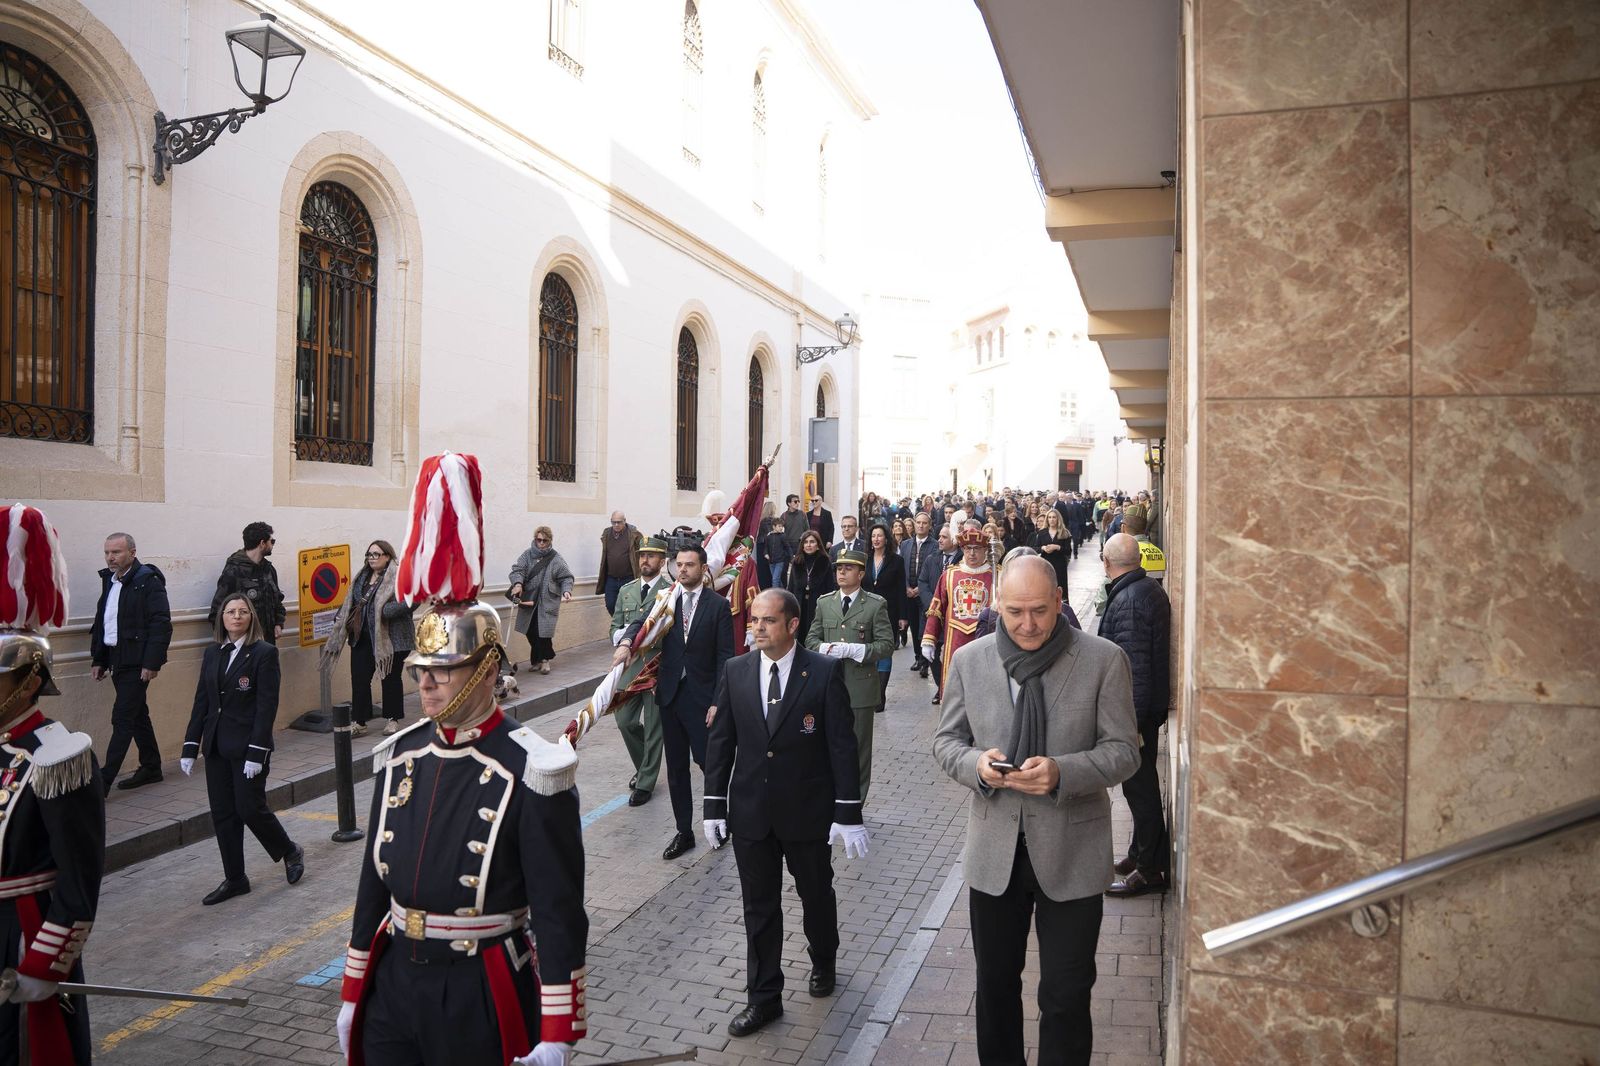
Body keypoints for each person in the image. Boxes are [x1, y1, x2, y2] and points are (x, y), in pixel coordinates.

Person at [335, 453, 587, 1066]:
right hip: (395, 979)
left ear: (488, 671)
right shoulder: (400, 755)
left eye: (446, 670)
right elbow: (375, 879)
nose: (428, 684)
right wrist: (352, 988)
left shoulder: (533, 769)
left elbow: (558, 910)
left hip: (478, 985)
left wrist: (557, 1032)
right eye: (424, 671)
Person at [932, 556, 1140, 1066]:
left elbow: (1125, 751)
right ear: (997, 606)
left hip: (1073, 856)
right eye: (1016, 612)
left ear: (1060, 601)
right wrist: (977, 766)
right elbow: (946, 743)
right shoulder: (970, 661)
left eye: (1041, 612)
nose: (1028, 624)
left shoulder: (1104, 659)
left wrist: (1063, 773)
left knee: (1066, 996)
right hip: (994, 856)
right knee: (995, 988)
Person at [704, 589, 867, 1039]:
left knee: (815, 894)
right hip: (752, 814)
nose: (757, 628)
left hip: (807, 813)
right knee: (759, 908)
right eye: (754, 620)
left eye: (768, 621)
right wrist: (714, 804)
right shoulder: (736, 671)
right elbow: (721, 743)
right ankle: (763, 999)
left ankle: (823, 958)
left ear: (793, 625)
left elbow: (841, 745)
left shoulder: (823, 672)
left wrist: (848, 810)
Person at [0, 504, 105, 1066]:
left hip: (25, 932)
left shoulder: (60, 757)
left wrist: (48, 960)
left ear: (28, 681)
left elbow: (79, 877)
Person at [180, 593, 305, 905]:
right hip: (217, 747)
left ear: (251, 618)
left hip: (248, 746)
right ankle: (235, 878)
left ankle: (289, 850)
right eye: (230, 612)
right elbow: (202, 702)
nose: (236, 617)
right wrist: (190, 744)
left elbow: (266, 705)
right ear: (222, 618)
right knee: (223, 814)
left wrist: (258, 751)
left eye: (242, 612)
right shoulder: (212, 654)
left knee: (249, 808)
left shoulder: (263, 653)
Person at [614, 544, 733, 861]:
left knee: (709, 764)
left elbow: (725, 657)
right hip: (669, 696)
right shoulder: (664, 601)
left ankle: (717, 820)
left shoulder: (718, 606)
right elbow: (640, 623)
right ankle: (685, 833)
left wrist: (718, 701)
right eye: (679, 564)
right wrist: (627, 643)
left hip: (703, 700)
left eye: (690, 565)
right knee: (677, 769)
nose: (683, 570)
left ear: (703, 568)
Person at [1097, 534, 1172, 897]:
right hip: (1143, 711)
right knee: (1137, 787)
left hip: (1135, 715)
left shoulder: (1129, 599)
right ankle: (1140, 852)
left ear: (1107, 563)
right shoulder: (1142, 589)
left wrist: (1130, 723)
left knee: (1139, 790)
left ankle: (1149, 869)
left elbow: (1134, 669)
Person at [805, 550, 893, 802]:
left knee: (858, 749)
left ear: (861, 573)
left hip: (860, 687)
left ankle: (855, 800)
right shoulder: (825, 602)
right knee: (827, 744)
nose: (841, 572)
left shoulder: (875, 604)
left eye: (848, 568)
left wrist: (856, 650)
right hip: (828, 686)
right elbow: (811, 639)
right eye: (838, 568)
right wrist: (824, 648)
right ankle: (831, 796)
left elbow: (887, 644)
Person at [90, 531, 171, 794]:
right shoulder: (109, 581)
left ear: (132, 553)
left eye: (116, 552)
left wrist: (152, 663)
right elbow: (104, 622)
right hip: (117, 658)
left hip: (137, 662)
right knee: (137, 714)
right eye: (107, 552)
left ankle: (102, 783)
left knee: (122, 718)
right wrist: (100, 659)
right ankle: (151, 766)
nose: (110, 557)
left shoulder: (148, 581)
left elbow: (161, 624)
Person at [322, 540, 417, 737]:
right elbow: (352, 601)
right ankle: (360, 721)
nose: (372, 558)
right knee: (359, 679)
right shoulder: (362, 577)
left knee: (390, 678)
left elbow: (413, 599)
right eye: (369, 554)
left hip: (390, 638)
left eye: (376, 554)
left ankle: (392, 719)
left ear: (388, 556)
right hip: (362, 636)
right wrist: (341, 615)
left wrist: (386, 611)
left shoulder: (399, 577)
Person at [609, 536, 670, 807]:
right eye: (642, 555)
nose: (645, 560)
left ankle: (645, 782)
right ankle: (645, 766)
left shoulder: (671, 591)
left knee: (654, 727)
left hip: (658, 666)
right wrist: (622, 637)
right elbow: (614, 627)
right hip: (631, 667)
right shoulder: (627, 590)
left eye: (652, 555)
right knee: (625, 720)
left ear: (662, 560)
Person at [921, 526, 995, 705]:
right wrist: (929, 639)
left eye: (977, 548)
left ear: (985, 550)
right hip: (955, 639)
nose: (972, 553)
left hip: (987, 640)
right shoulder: (949, 575)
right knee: (955, 688)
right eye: (968, 548)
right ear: (962, 549)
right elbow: (936, 608)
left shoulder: (996, 575)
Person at [509, 525, 575, 675]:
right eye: (539, 540)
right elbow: (517, 570)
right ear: (535, 539)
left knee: (543, 632)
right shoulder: (527, 555)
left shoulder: (556, 558)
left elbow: (566, 577)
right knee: (530, 631)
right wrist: (518, 584)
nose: (541, 543)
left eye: (545, 540)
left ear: (550, 541)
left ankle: (544, 660)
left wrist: (566, 591)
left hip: (547, 601)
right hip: (529, 600)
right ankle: (537, 660)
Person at [209, 521, 286, 643]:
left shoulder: (269, 570)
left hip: (267, 644)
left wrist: (278, 623)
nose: (273, 544)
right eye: (272, 541)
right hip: (244, 645)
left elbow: (277, 601)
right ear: (262, 543)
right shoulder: (234, 571)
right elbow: (217, 611)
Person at [864, 525, 906, 681]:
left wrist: (903, 616)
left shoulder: (897, 561)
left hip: (889, 612)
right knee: (869, 647)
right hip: (866, 612)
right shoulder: (864, 559)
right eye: (873, 536)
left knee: (885, 649)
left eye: (879, 536)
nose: (876, 539)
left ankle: (881, 694)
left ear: (886, 539)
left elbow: (901, 589)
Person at [900, 513, 936, 677]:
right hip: (908, 593)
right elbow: (902, 568)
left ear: (929, 525)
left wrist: (919, 590)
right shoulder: (906, 544)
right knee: (913, 627)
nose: (921, 526)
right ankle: (917, 656)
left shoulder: (934, 545)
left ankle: (925, 661)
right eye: (918, 523)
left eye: (924, 523)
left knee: (924, 627)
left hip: (925, 592)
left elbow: (932, 571)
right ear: (914, 525)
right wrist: (907, 587)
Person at [786, 530, 835, 641]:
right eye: (806, 542)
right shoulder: (796, 562)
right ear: (802, 545)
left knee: (815, 637)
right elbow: (791, 587)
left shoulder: (825, 561)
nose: (808, 545)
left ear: (818, 545)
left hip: (818, 605)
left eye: (812, 542)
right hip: (799, 604)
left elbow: (830, 587)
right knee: (800, 637)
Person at [596, 511, 643, 615]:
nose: (616, 525)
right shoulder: (607, 533)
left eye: (619, 522)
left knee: (628, 606)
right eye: (613, 522)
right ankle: (619, 625)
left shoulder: (634, 534)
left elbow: (643, 551)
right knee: (610, 605)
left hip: (629, 578)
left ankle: (624, 628)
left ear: (624, 521)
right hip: (611, 578)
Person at [1032, 508, 1073, 595]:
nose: (1051, 520)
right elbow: (1035, 548)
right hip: (1045, 563)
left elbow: (1068, 551)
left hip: (1059, 565)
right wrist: (1043, 548)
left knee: (1060, 588)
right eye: (1049, 517)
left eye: (1054, 517)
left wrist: (1057, 547)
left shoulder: (1064, 533)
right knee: (1046, 588)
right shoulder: (1042, 532)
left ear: (1058, 519)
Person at [764, 519, 792, 589]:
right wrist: (766, 553)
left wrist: (792, 557)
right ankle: (783, 592)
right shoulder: (768, 536)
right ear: (774, 527)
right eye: (779, 526)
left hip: (780, 561)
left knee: (775, 579)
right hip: (771, 562)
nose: (781, 528)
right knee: (777, 579)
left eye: (782, 526)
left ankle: (775, 596)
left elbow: (788, 547)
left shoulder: (783, 536)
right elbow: (766, 547)